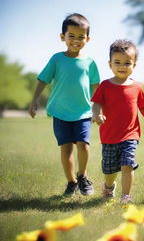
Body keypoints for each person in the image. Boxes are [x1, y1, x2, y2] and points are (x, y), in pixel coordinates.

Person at [28, 13, 100, 196]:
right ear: (63, 37)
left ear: (88, 39)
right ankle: (71, 182)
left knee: (83, 145)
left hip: (83, 112)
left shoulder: (90, 62)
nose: (76, 40)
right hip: (61, 112)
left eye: (81, 37)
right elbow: (43, 80)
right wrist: (35, 99)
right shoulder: (56, 59)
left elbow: (95, 87)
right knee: (66, 149)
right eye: (72, 36)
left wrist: (98, 109)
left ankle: (82, 177)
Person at [91, 39, 144, 204]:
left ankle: (126, 196)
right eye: (117, 62)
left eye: (127, 63)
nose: (122, 66)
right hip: (109, 135)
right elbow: (96, 104)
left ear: (134, 65)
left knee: (128, 164)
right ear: (109, 64)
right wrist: (97, 115)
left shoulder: (137, 87)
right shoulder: (105, 86)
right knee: (110, 169)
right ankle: (109, 186)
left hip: (130, 135)